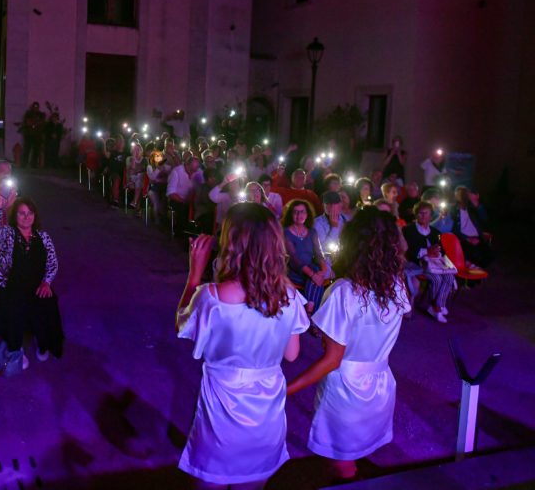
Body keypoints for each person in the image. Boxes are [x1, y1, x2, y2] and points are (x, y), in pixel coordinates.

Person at [176, 203, 308, 489]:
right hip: (267, 409)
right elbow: (292, 354)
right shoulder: (288, 296)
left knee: (211, 478)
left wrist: (194, 276)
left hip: (222, 408)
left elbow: (183, 326)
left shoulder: (212, 296)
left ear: (231, 242)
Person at [287, 206, 411, 481]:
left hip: (347, 390)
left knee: (341, 464)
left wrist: (286, 390)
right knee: (355, 453)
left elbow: (332, 359)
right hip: (381, 382)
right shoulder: (396, 285)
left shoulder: (345, 292)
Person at [0, 194, 63, 375]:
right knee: (15, 307)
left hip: (37, 284)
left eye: (30, 213)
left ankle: (43, 344)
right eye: (22, 213)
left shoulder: (43, 237)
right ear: (15, 216)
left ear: (35, 215)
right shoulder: (8, 234)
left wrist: (46, 282)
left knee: (47, 303)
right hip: (11, 284)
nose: (26, 217)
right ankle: (16, 347)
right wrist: (0, 208)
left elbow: (53, 263)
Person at [402, 201, 456, 323]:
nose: (423, 216)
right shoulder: (408, 230)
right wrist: (427, 251)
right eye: (420, 213)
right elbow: (409, 251)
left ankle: (437, 306)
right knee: (437, 279)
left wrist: (437, 252)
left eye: (426, 213)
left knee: (449, 276)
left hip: (435, 264)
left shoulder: (435, 232)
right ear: (416, 214)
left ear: (431, 215)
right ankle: (437, 308)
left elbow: (441, 250)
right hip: (418, 264)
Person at [282, 199, 328, 314]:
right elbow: (294, 259)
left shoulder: (312, 232)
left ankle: (309, 308)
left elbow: (318, 254)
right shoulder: (285, 232)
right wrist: (313, 275)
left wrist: (323, 271)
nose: (299, 215)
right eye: (295, 212)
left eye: (302, 212)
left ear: (307, 214)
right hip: (294, 271)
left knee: (316, 275)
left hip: (311, 269)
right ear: (291, 214)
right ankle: (312, 313)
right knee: (315, 279)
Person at [450, 186, 493, 269]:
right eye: (460, 194)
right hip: (463, 238)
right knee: (471, 253)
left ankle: (476, 270)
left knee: (488, 255)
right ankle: (472, 271)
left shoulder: (471, 208)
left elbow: (485, 219)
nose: (463, 196)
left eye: (465, 194)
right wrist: (467, 239)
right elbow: (454, 229)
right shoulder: (454, 210)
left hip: (476, 237)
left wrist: (477, 204)